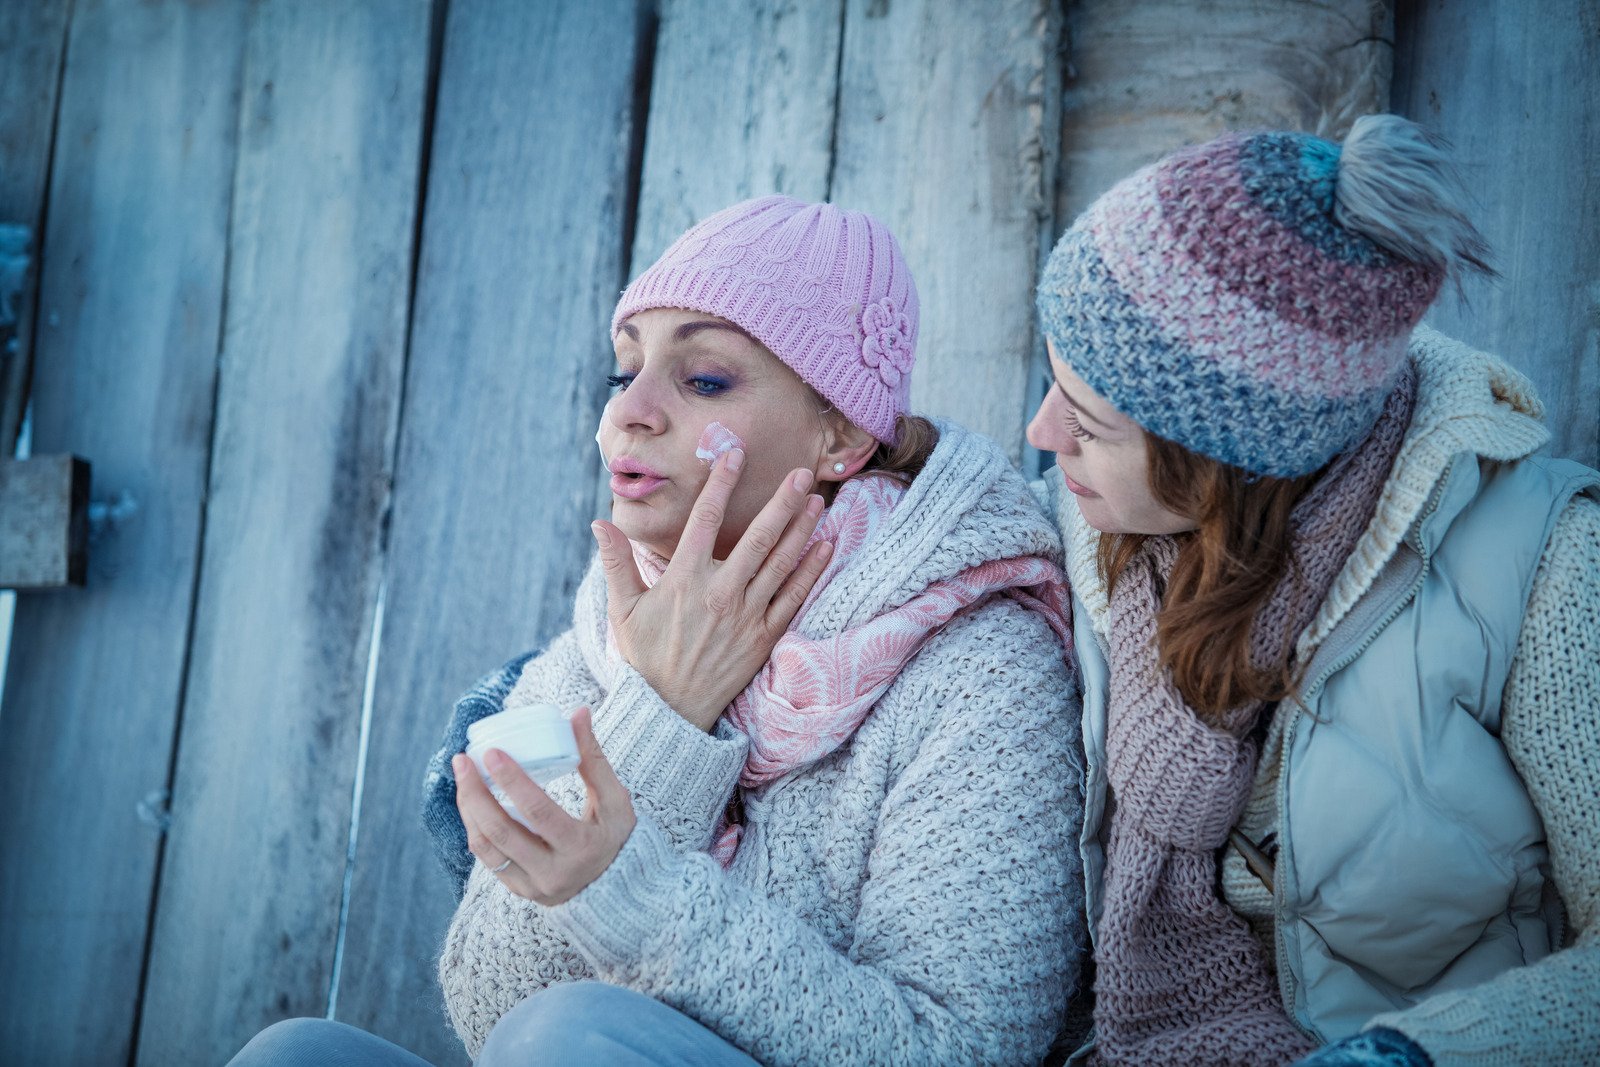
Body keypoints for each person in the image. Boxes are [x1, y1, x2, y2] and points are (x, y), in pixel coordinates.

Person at [230, 195, 1086, 1066]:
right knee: (292, 1054)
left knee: (569, 1035)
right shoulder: (597, 646)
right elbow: (488, 1004)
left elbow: (964, 1047)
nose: (627, 412)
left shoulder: (978, 664)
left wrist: (631, 893)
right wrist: (663, 709)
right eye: (623, 371)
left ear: (840, 433)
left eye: (703, 378)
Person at [1026, 114, 1600, 1066]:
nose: (1043, 435)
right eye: (1053, 383)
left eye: (1090, 423)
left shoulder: (1545, 565)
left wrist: (1410, 1057)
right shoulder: (1097, 536)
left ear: (1234, 460)